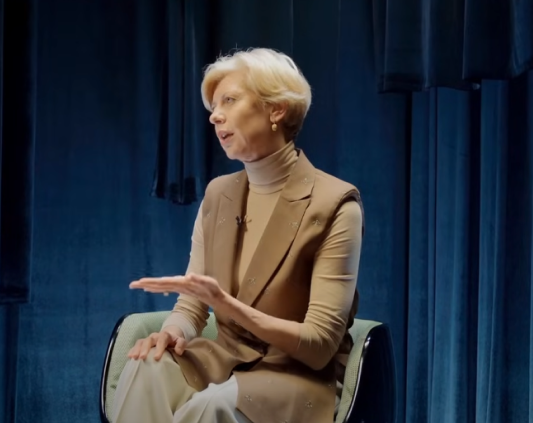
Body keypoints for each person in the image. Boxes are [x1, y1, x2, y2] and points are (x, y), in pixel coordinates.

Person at [113, 47, 364, 423]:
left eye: (229, 100)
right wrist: (171, 332)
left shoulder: (336, 204)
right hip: (226, 359)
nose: (215, 115)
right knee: (146, 364)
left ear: (276, 109)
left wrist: (228, 306)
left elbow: (319, 346)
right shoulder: (218, 194)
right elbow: (193, 306)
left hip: (298, 375)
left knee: (211, 406)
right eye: (213, 106)